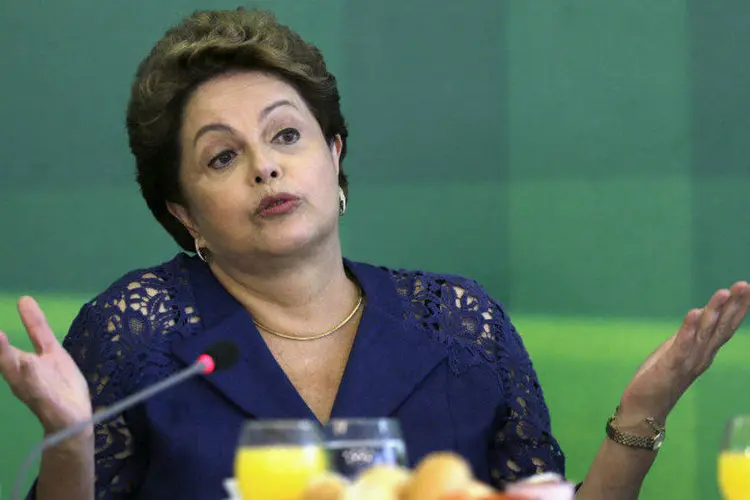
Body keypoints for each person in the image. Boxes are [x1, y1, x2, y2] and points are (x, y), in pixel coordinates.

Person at [0, 7, 747, 500]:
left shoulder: (460, 326)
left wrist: (645, 408)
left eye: (286, 135)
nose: (266, 166)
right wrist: (67, 440)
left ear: (334, 154)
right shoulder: (138, 335)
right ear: (183, 211)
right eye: (222, 158)